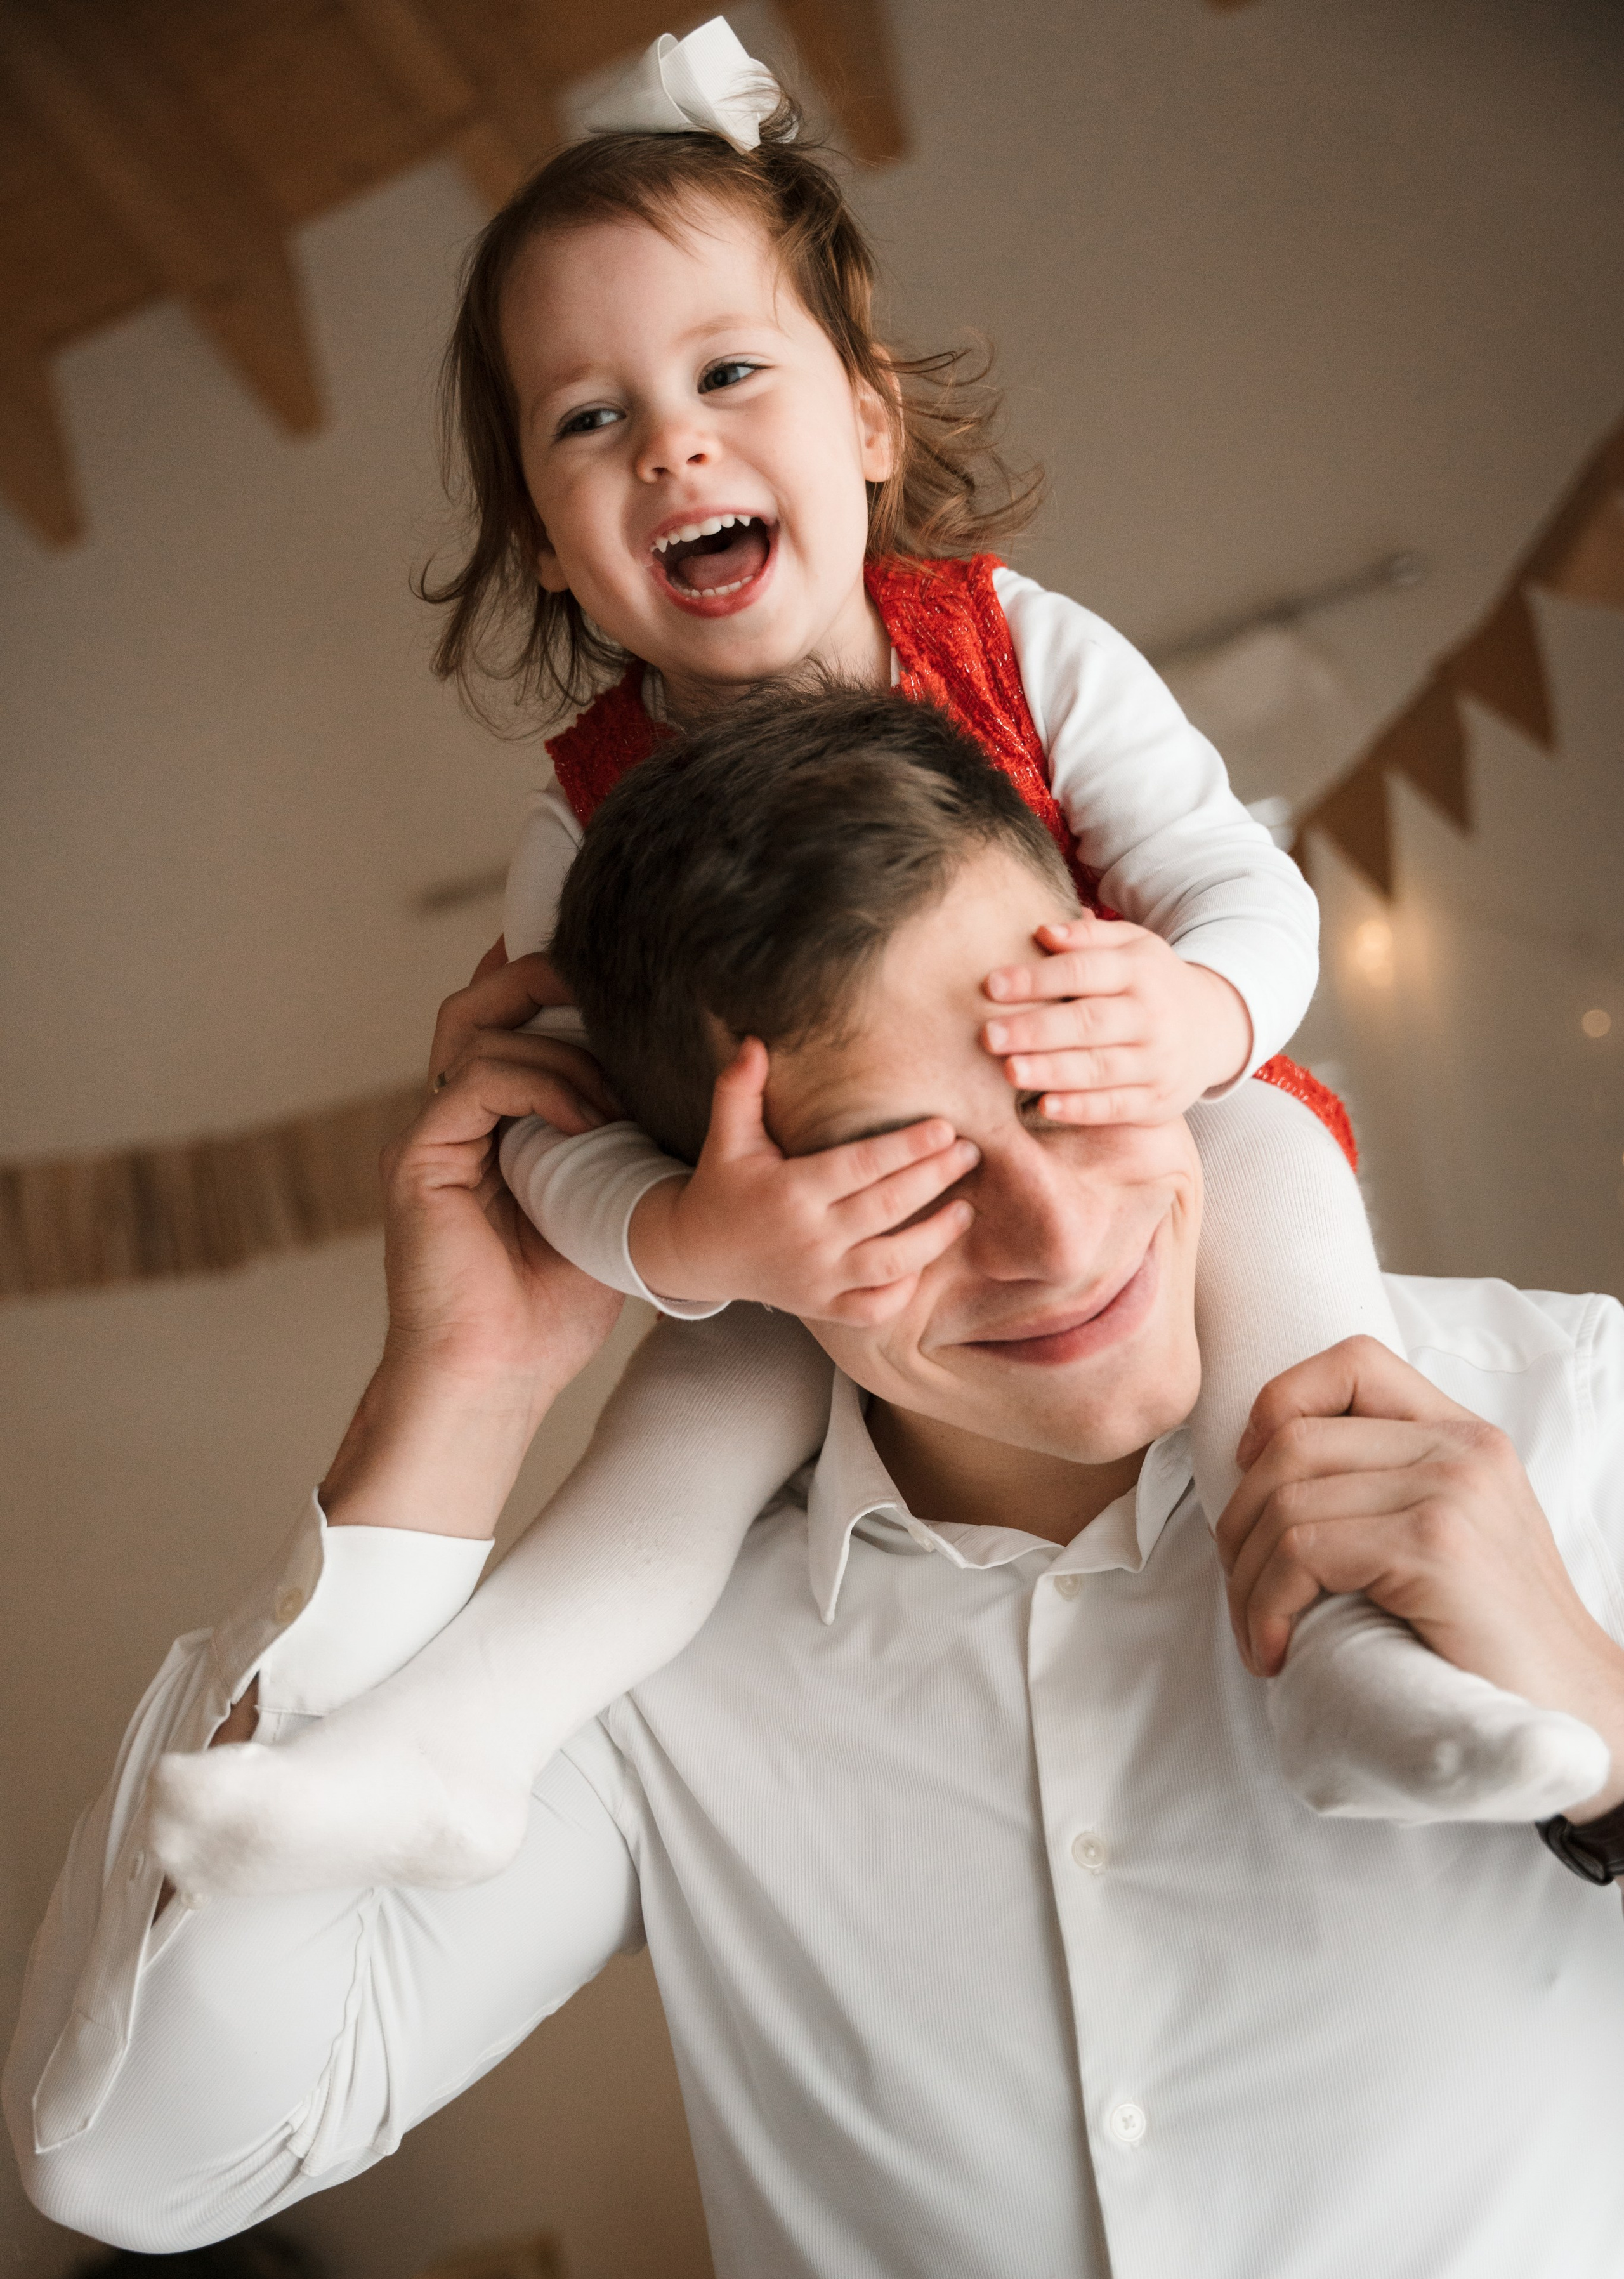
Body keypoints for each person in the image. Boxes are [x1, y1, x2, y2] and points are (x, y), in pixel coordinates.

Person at [10, 688, 1624, 2279]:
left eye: (1063, 1082)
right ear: (693, 1220)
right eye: (893, 1175)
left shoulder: (1581, 1423)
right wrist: (459, 1389)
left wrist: (1610, 1722)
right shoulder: (644, 1669)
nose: (1061, 1237)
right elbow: (142, 2158)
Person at [143, 20, 1606, 1901]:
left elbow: (1243, 888)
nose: (672, 441)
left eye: (729, 372)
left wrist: (1199, 1010)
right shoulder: (582, 831)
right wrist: (685, 1243)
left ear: (868, 424)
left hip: (1158, 1118)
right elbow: (540, 1137)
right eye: (588, 421)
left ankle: (1346, 1659)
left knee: (1305, 1293)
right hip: (807, 1253)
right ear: (553, 551)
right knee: (680, 1438)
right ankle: (454, 1746)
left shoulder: (1023, 647)